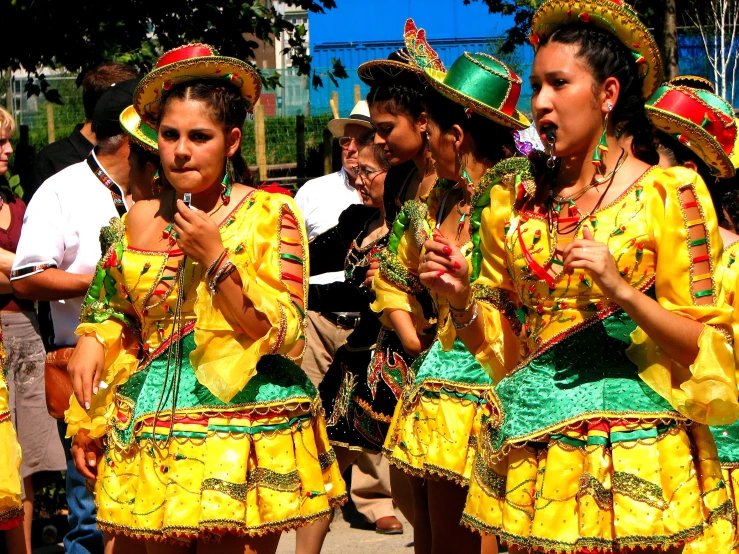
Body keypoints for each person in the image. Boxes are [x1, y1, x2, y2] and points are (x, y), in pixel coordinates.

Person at [420, 1, 739, 551]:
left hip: (637, 456)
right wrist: (459, 302)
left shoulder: (669, 194)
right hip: (535, 455)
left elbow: (709, 347)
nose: (541, 103)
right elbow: (507, 358)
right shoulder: (511, 203)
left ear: (607, 95)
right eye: (536, 85)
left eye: (559, 84)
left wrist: (621, 291)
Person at [65, 44, 346, 553]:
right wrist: (92, 339)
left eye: (200, 136)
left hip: (243, 426)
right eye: (170, 135)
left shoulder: (269, 215)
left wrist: (217, 261)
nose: (180, 151)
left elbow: (284, 332)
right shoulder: (137, 219)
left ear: (232, 140)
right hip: (154, 420)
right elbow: (111, 308)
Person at [372, 51, 530, 554]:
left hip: (499, 379)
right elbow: (393, 273)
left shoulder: (517, 197)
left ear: (455, 137)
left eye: (431, 128)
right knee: (436, 534)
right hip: (441, 381)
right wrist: (411, 331)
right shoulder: (438, 200)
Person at [10, 78, 140, 554]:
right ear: (131, 136)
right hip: (87, 372)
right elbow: (26, 276)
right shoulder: (61, 189)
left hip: (155, 372)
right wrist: (106, 282)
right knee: (91, 517)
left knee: (144, 513)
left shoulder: (159, 192)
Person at [294, 99, 402, 539]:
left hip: (392, 354)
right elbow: (308, 259)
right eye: (354, 173)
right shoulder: (355, 217)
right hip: (345, 346)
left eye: (367, 174)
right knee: (321, 449)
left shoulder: (409, 220)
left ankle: (377, 504)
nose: (357, 180)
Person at [646, 80, 739, 553]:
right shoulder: (637, 258)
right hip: (665, 463)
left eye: (649, 161)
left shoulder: (736, 260)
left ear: (685, 174)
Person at [0, 107, 67, 554]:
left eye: (8, 141)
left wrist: (25, 272)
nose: (8, 150)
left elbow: (41, 271)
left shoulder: (16, 205)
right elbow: (34, 272)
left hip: (23, 331)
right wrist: (29, 272)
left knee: (21, 460)